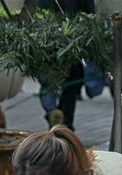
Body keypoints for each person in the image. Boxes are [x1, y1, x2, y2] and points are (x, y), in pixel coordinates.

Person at [37, 0, 93, 130]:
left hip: (47, 38)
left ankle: (53, 114)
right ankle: (65, 122)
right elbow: (89, 8)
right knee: (70, 84)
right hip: (71, 37)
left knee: (49, 83)